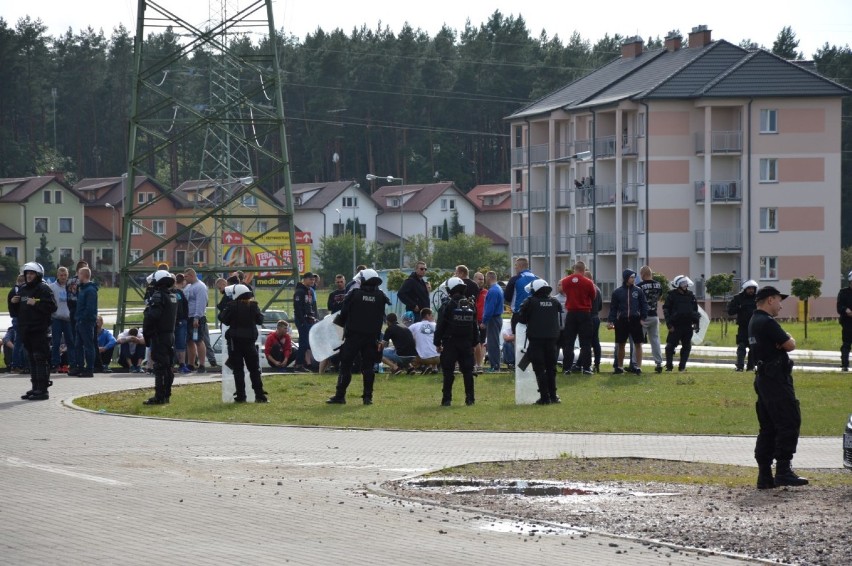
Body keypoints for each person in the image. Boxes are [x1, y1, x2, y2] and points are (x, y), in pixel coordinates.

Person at [749, 285, 808, 489]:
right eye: (779, 300)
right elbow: (790, 345)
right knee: (789, 420)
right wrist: (788, 338)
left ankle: (764, 475)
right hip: (775, 379)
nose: (781, 306)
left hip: (764, 379)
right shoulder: (766, 322)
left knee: (769, 426)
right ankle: (783, 470)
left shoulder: (754, 321)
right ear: (770, 300)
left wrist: (782, 341)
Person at [326, 269, 389, 405]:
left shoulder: (354, 294)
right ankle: (368, 397)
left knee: (346, 366)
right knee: (368, 368)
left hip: (353, 337)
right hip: (371, 338)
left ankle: (340, 396)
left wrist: (338, 335)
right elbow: (382, 318)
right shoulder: (381, 296)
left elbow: (342, 316)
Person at [10, 262, 57, 400]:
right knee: (31, 359)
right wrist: (12, 303)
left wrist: (36, 303)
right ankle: (35, 387)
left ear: (38, 275)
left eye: (32, 273)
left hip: (39, 330)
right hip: (26, 330)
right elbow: (16, 312)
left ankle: (43, 390)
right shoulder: (23, 289)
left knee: (40, 358)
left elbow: (52, 307)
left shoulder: (44, 288)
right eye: (27, 273)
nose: (29, 276)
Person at [433, 277, 478, 406]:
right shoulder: (470, 304)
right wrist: (474, 343)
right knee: (468, 372)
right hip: (466, 344)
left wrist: (437, 342)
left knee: (448, 372)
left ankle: (447, 399)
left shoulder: (447, 305)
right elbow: (474, 325)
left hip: (450, 343)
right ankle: (470, 399)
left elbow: (440, 325)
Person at [517, 279, 563, 404]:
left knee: (539, 368)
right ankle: (553, 396)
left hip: (536, 341)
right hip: (552, 341)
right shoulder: (554, 301)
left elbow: (521, 319)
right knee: (551, 368)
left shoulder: (530, 302)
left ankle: (544, 397)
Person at [219, 284, 266, 403]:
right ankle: (260, 395)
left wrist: (227, 303)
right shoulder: (254, 306)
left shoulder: (232, 306)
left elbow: (223, 319)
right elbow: (260, 320)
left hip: (235, 343)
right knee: (254, 369)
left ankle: (241, 396)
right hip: (250, 342)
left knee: (238, 370)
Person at [142, 270, 178, 405]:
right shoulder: (173, 296)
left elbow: (152, 316)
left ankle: (159, 396)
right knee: (167, 366)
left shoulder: (158, 296)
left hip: (160, 336)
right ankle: (166, 394)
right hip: (170, 335)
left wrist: (147, 332)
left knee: (160, 367)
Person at [607, 269, 647, 374]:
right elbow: (613, 308)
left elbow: (644, 305)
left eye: (634, 277)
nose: (633, 279)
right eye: (631, 277)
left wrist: (643, 318)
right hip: (622, 321)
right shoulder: (617, 292)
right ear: (626, 278)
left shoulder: (638, 291)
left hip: (635, 320)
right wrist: (611, 321)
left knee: (638, 344)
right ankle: (620, 367)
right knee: (621, 344)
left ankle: (638, 367)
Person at [559, 261, 596, 375]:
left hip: (571, 313)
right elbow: (593, 296)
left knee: (568, 342)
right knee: (585, 342)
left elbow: (563, 290)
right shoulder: (588, 282)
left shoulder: (565, 281)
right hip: (584, 313)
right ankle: (586, 368)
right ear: (584, 270)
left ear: (574, 269)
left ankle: (567, 368)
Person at [663, 275, 700, 372]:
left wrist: (696, 323)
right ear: (677, 285)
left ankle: (682, 367)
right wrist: (669, 324)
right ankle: (669, 367)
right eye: (683, 283)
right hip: (675, 326)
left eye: (686, 283)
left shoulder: (691, 295)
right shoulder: (671, 295)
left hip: (687, 325)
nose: (685, 285)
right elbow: (666, 310)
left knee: (687, 346)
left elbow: (695, 310)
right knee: (670, 346)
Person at [635, 265, 664, 373]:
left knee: (638, 342)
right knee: (655, 340)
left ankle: (635, 363)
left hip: (643, 316)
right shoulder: (658, 285)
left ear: (643, 274)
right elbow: (659, 297)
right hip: (654, 315)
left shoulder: (639, 286)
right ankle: (659, 363)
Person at [70, 266, 98, 378]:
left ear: (84, 275)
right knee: (78, 345)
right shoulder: (83, 289)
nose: (78, 277)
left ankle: (89, 368)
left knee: (88, 345)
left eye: (79, 275)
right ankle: (80, 367)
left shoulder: (90, 290)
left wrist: (83, 318)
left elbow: (90, 308)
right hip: (80, 320)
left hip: (86, 321)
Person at [48, 266, 75, 373]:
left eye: (65, 275)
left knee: (70, 342)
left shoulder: (71, 287)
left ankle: (72, 363)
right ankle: (55, 364)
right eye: (61, 275)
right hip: (56, 318)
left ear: (68, 275)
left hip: (68, 318)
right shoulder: (52, 287)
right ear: (57, 275)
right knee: (56, 342)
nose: (63, 277)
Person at [728, 279, 759, 371]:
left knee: (753, 347)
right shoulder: (738, 298)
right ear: (745, 289)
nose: (751, 290)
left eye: (752, 288)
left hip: (754, 327)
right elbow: (730, 311)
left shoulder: (758, 298)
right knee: (741, 346)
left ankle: (750, 367)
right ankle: (740, 367)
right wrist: (739, 307)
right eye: (749, 288)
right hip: (743, 327)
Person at [183, 268, 209, 372]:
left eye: (186, 276)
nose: (185, 278)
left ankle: (202, 365)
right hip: (188, 317)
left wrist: (197, 317)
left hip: (196, 317)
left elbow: (201, 303)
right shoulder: (188, 287)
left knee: (198, 340)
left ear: (192, 275)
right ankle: (191, 364)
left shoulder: (200, 287)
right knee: (189, 341)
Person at [293, 271, 318, 372]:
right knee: (303, 343)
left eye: (313, 279)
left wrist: (315, 317)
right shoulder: (300, 291)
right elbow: (297, 308)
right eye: (310, 279)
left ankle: (302, 363)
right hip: (302, 320)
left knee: (307, 343)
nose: (312, 281)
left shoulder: (310, 291)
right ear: (305, 279)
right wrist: (302, 321)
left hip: (310, 319)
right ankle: (298, 365)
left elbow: (313, 306)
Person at [504, 257, 537, 331]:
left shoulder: (515, 279)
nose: (515, 268)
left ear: (520, 266)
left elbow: (507, 297)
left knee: (517, 339)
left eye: (516, 265)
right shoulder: (537, 278)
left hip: (519, 313)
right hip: (535, 315)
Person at [482, 271, 505, 372]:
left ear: (489, 278)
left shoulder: (492, 291)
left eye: (486, 277)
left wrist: (484, 321)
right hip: (497, 318)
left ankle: (495, 366)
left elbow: (489, 308)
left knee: (492, 343)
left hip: (493, 319)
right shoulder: (498, 289)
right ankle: (495, 365)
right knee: (494, 342)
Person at [408, 308, 440, 374]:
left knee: (411, 353)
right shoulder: (436, 325)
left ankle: (417, 367)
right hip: (438, 358)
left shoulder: (414, 326)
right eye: (432, 315)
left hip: (423, 358)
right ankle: (434, 368)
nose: (433, 317)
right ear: (427, 316)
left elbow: (406, 337)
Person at [7, 274, 27, 372]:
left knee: (19, 342)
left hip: (16, 318)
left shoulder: (13, 290)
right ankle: (17, 364)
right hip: (19, 318)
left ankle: (17, 364)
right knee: (19, 342)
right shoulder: (18, 291)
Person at [173, 273, 191, 373]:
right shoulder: (178, 293)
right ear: (182, 281)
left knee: (179, 343)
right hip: (180, 321)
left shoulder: (177, 292)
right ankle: (182, 364)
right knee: (181, 343)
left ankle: (180, 364)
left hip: (177, 321)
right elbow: (181, 308)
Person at [586, 271, 603, 373]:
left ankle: (585, 363)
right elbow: (600, 306)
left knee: (586, 341)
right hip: (596, 317)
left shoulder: (588, 289)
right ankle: (597, 363)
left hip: (589, 316)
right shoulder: (598, 289)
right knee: (595, 341)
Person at [835, 270, 852, 372]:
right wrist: (845, 309)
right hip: (847, 323)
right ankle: (845, 365)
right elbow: (839, 307)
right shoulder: (843, 292)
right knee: (846, 344)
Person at [472, 271, 487, 373]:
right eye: (479, 279)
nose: (481, 281)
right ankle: (473, 363)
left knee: (481, 342)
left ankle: (479, 364)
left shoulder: (486, 292)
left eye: (482, 279)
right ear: (474, 280)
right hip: (472, 320)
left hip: (482, 320)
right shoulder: (471, 291)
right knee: (473, 343)